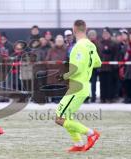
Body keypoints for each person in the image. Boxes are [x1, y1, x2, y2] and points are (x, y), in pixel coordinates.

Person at [55, 20, 101, 152]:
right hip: (84, 86)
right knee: (67, 117)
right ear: (85, 28)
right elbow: (98, 63)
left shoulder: (78, 46)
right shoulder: (91, 45)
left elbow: (78, 68)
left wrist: (63, 76)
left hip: (77, 87)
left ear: (74, 29)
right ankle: (79, 144)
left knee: (59, 118)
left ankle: (91, 134)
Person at [98, 27, 116, 103]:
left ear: (110, 35)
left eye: (107, 34)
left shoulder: (113, 43)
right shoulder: (99, 43)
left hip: (110, 67)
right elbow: (98, 54)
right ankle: (103, 98)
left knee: (110, 83)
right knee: (102, 83)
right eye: (104, 34)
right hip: (102, 67)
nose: (105, 35)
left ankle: (110, 97)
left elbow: (115, 54)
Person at [87, 29, 99, 103]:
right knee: (86, 83)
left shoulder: (98, 44)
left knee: (93, 83)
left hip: (94, 67)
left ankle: (93, 97)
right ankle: (86, 97)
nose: (92, 37)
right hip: (86, 67)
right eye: (90, 35)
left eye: (93, 35)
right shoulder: (86, 44)